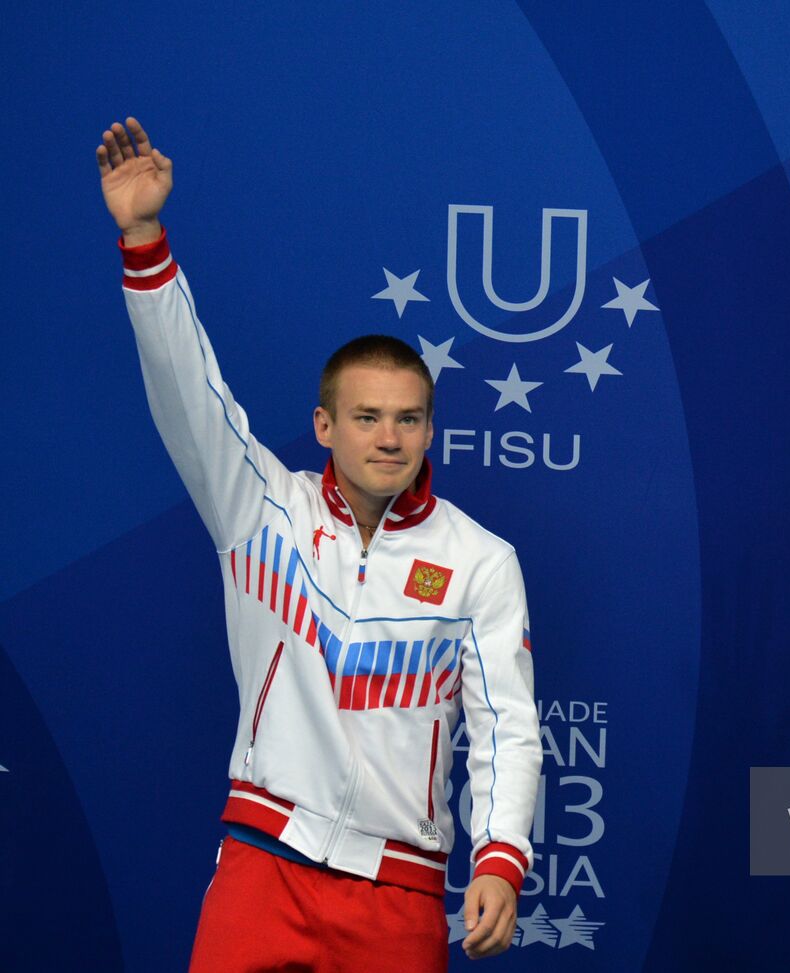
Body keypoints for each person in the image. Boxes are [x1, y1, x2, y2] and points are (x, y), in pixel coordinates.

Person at [96, 118, 542, 970]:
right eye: (367, 417)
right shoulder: (262, 510)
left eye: (409, 418)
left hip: (401, 895)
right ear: (324, 425)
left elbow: (506, 727)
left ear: (429, 429)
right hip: (265, 868)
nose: (389, 437)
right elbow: (190, 392)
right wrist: (145, 241)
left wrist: (500, 856)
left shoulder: (482, 560)